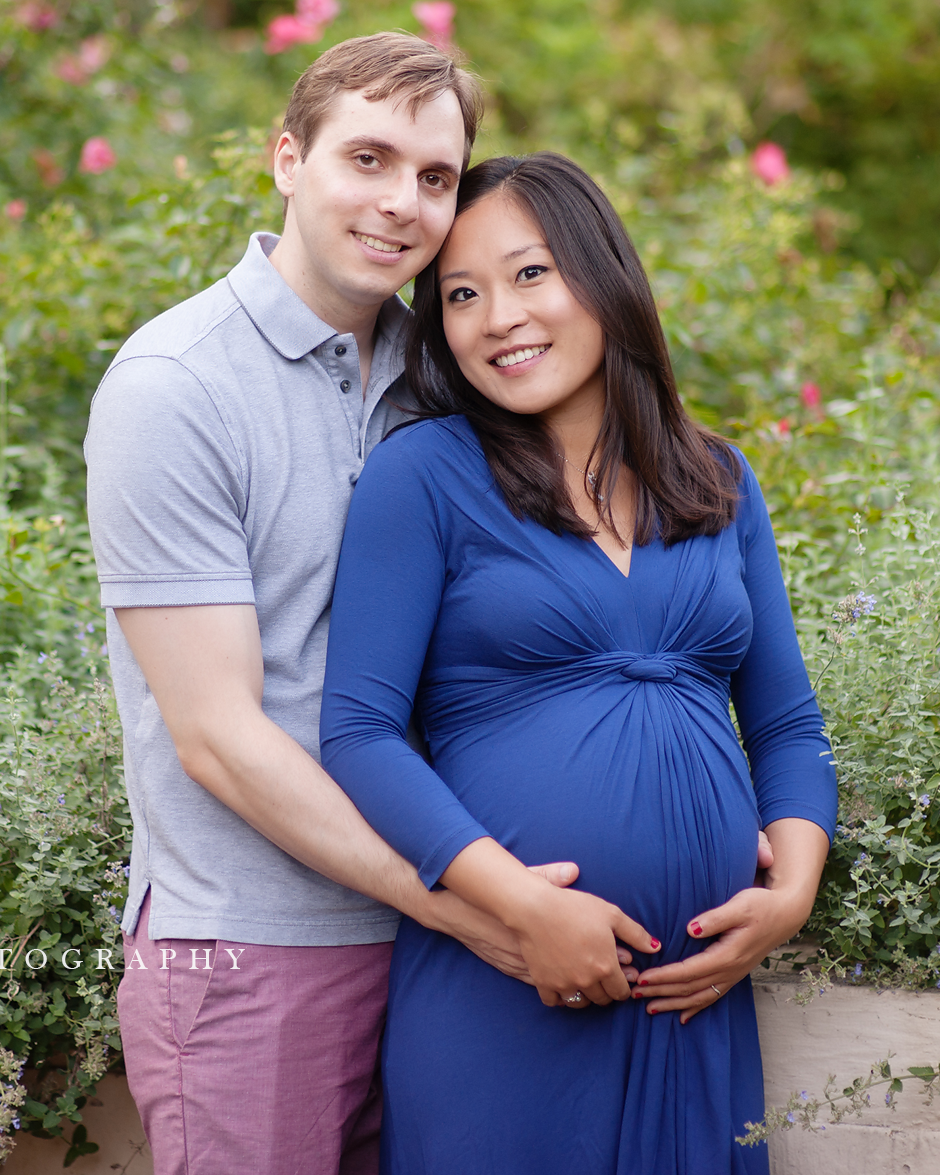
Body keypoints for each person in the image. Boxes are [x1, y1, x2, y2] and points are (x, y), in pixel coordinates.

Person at [84, 36, 633, 1175]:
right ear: (287, 159)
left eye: (434, 177)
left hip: (444, 962)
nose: (401, 203)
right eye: (368, 159)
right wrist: (470, 904)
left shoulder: (451, 372)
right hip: (255, 956)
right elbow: (218, 738)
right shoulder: (173, 387)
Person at [319, 151, 838, 1173]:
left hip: (693, 1001)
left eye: (528, 274)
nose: (496, 316)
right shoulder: (421, 476)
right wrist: (521, 907)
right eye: (459, 295)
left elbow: (784, 727)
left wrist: (790, 894)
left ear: (602, 277)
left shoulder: (717, 479)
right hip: (507, 991)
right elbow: (359, 734)